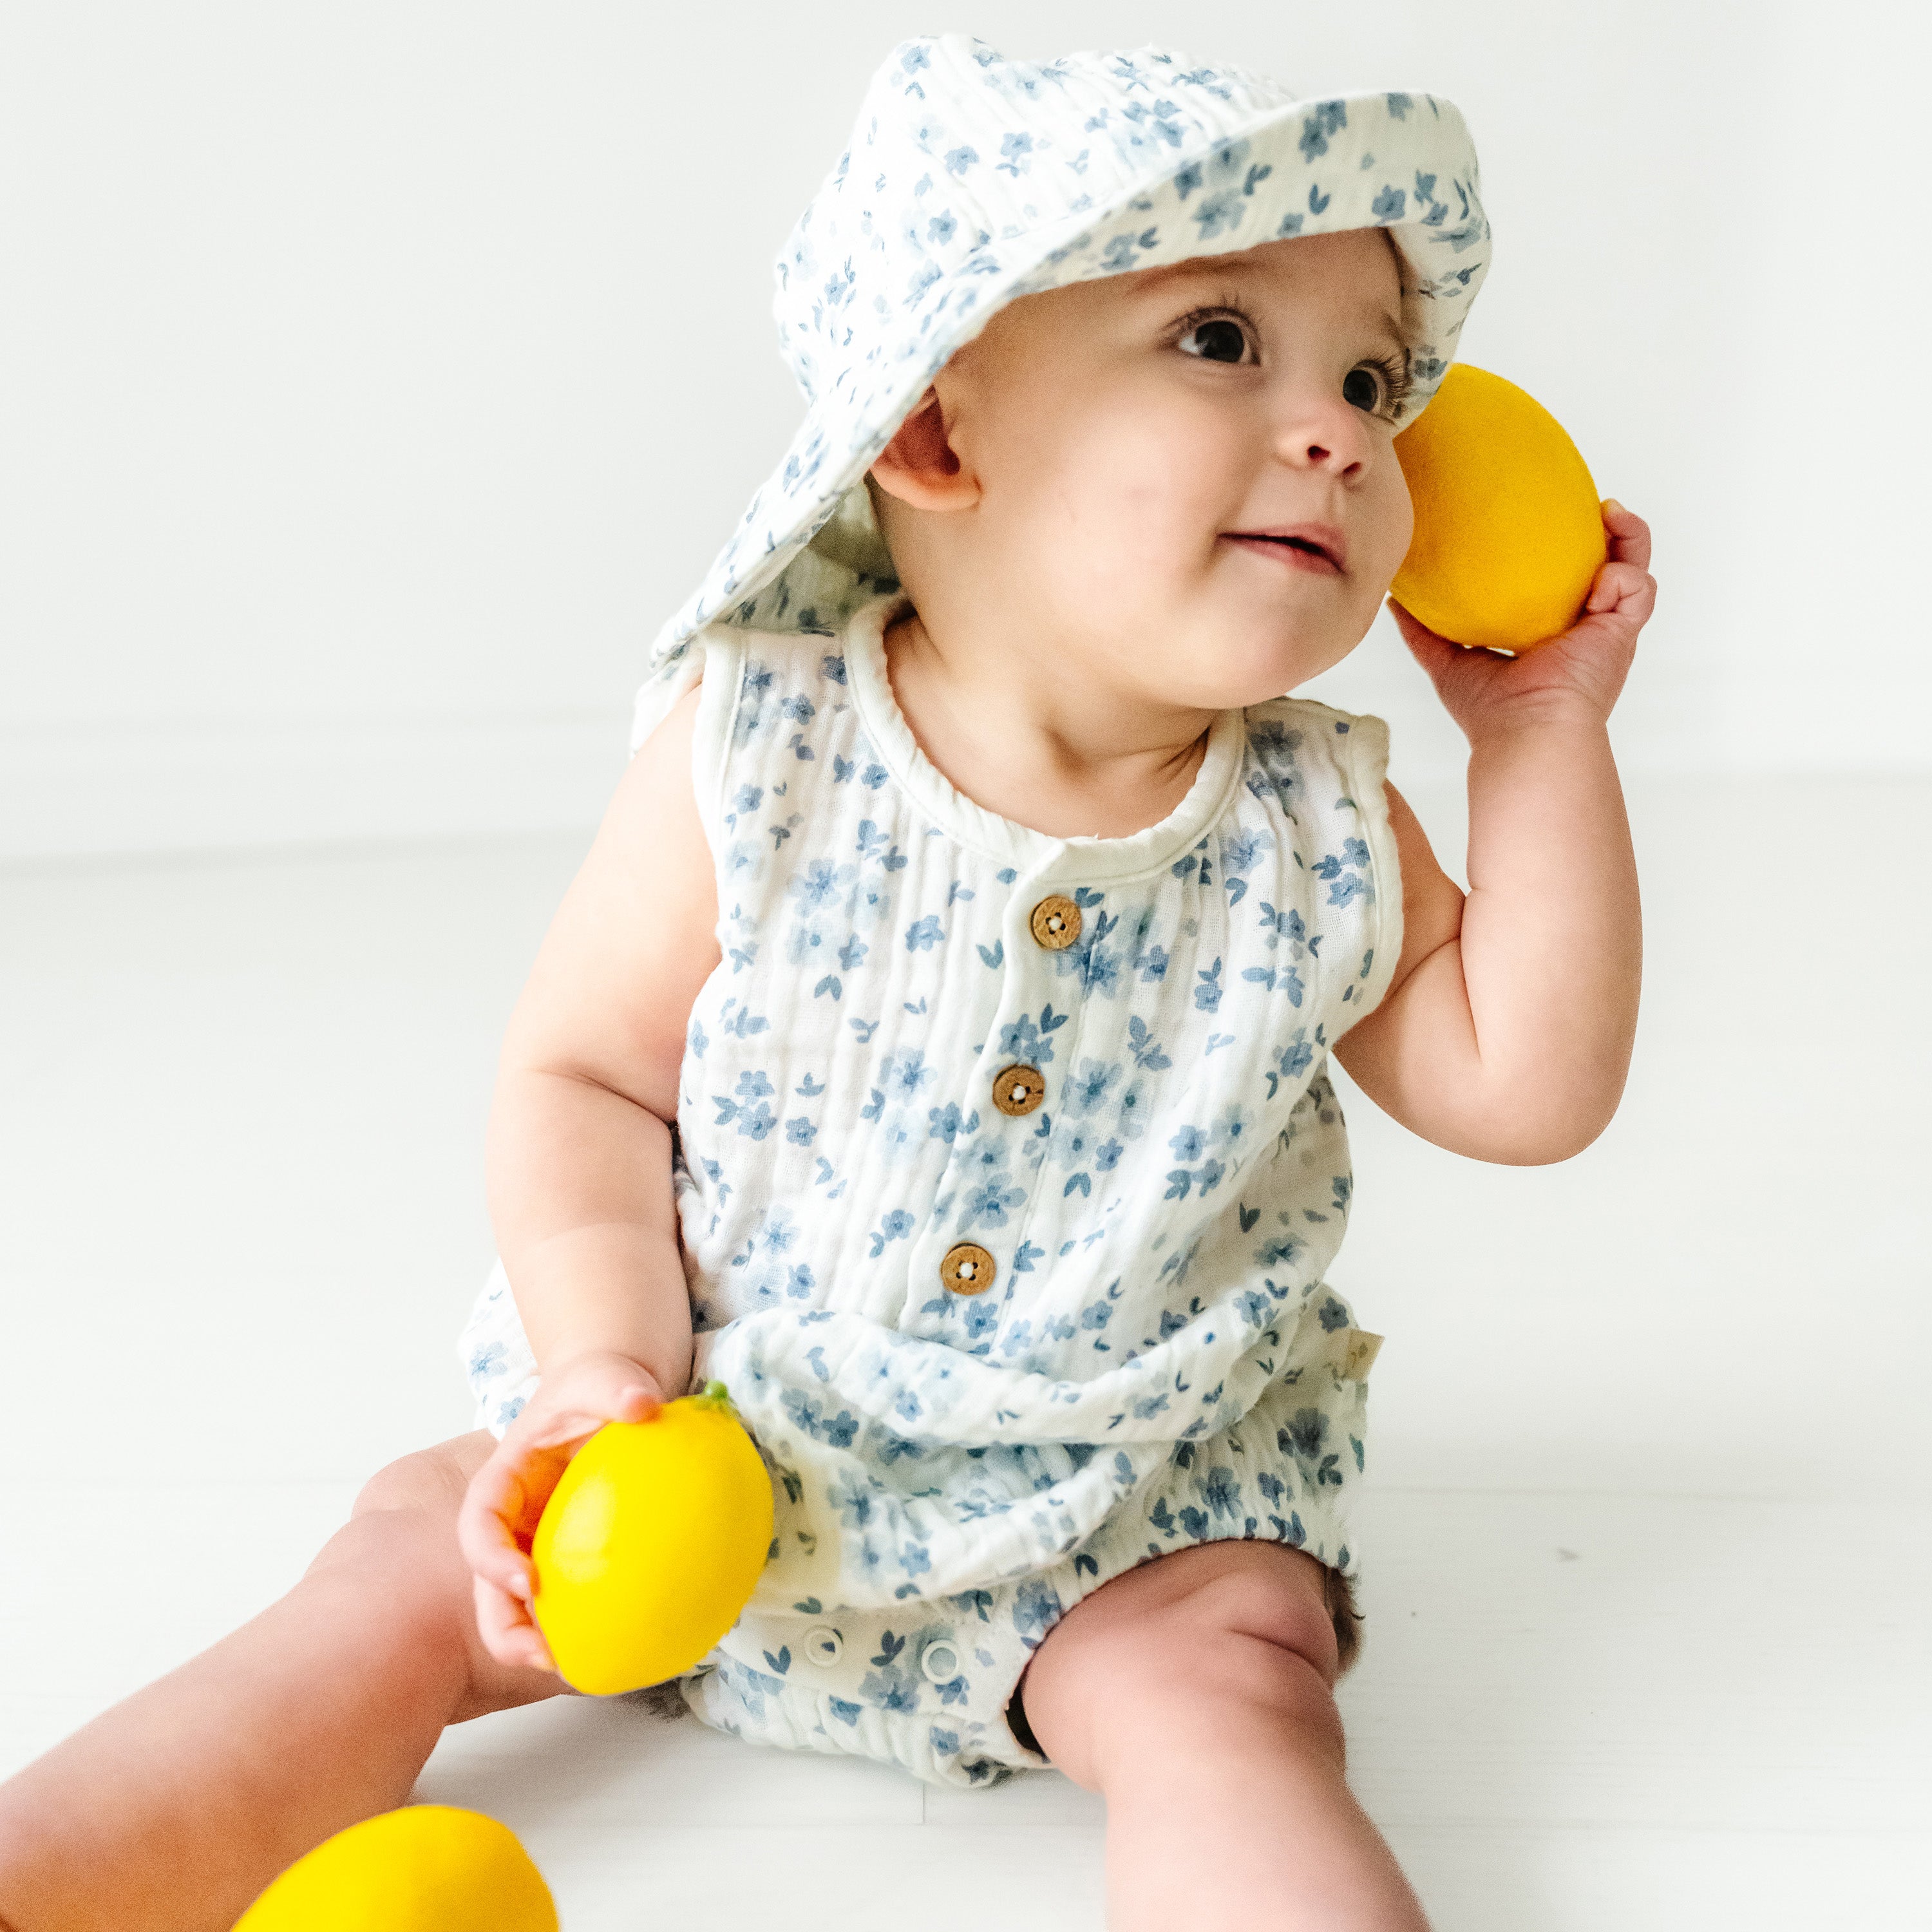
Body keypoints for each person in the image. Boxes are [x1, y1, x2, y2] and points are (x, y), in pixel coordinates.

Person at [0, 33, 1654, 1932]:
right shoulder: (756, 752)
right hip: (713, 1440)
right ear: (943, 434)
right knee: (401, 1564)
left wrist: (1541, 740)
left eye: (1371, 378)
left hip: (1113, 1521)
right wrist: (603, 1368)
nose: (1345, 431)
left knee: (1232, 1684)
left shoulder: (1319, 825)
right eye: (1221, 341)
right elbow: (582, 1083)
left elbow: (1527, 1086)